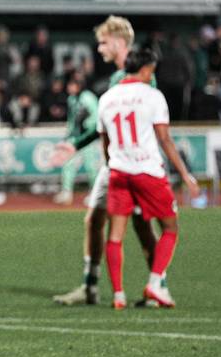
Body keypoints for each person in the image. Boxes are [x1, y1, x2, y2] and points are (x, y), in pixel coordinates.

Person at [51, 16, 161, 307]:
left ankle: (157, 285)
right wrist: (75, 144)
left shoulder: (139, 74)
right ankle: (90, 286)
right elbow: (101, 125)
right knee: (94, 219)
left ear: (117, 41)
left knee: (141, 225)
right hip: (115, 164)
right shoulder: (116, 77)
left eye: (102, 42)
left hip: (133, 164)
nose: (99, 48)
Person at [97, 49, 199, 308]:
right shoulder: (153, 96)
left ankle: (118, 295)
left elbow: (105, 142)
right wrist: (186, 174)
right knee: (170, 227)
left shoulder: (107, 98)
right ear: (146, 69)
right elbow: (164, 138)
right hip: (147, 171)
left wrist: (113, 166)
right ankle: (155, 284)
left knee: (115, 235)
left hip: (119, 171)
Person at [54, 71, 100, 205]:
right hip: (74, 137)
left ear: (79, 86)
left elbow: (96, 116)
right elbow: (72, 120)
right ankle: (66, 192)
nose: (69, 88)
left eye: (72, 85)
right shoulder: (72, 99)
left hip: (87, 137)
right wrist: (68, 134)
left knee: (91, 166)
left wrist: (87, 124)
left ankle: (95, 193)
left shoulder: (88, 98)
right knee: (68, 164)